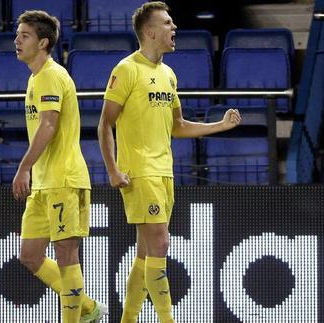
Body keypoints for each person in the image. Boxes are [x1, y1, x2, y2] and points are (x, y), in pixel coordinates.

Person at [97, 2, 241, 322]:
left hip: (164, 171)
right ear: (149, 31)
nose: (174, 28)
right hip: (139, 172)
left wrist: (220, 125)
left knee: (146, 253)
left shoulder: (168, 75)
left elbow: (178, 126)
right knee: (161, 243)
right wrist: (112, 168)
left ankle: (128, 318)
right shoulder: (126, 70)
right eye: (167, 23)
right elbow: (105, 123)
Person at [12, 10, 107, 323]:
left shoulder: (52, 74)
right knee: (29, 256)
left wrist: (23, 166)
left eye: (24, 35)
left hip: (64, 179)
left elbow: (49, 125)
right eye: (17, 34)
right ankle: (89, 308)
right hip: (43, 183)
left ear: (42, 43)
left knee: (66, 255)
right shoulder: (36, 77)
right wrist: (31, 172)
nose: (16, 40)